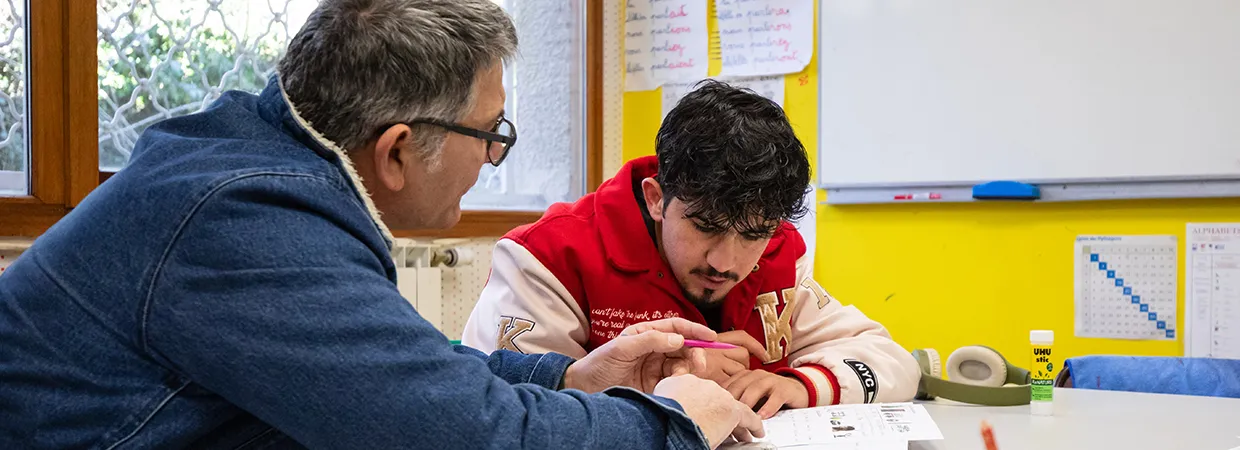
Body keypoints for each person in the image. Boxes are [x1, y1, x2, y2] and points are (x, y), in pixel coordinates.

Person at [0, 1, 763, 448]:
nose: (492, 158)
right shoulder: (249, 222)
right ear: (398, 150)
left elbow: (408, 371)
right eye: (490, 134)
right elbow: (469, 434)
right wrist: (669, 423)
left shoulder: (251, 166)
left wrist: (570, 376)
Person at [462, 81, 922, 418]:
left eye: (752, 234)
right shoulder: (547, 258)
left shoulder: (778, 253)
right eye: (705, 227)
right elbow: (495, 412)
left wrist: (800, 384)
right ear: (656, 199)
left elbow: (893, 362)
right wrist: (665, 390)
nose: (725, 262)